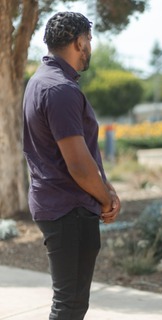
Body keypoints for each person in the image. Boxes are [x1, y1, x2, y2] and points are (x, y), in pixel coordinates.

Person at [23, 12, 121, 320]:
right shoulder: (60, 89)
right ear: (79, 42)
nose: (90, 46)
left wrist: (105, 186)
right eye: (89, 40)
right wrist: (106, 200)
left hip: (59, 204)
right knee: (70, 305)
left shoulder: (41, 81)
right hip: (69, 207)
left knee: (71, 304)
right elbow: (78, 164)